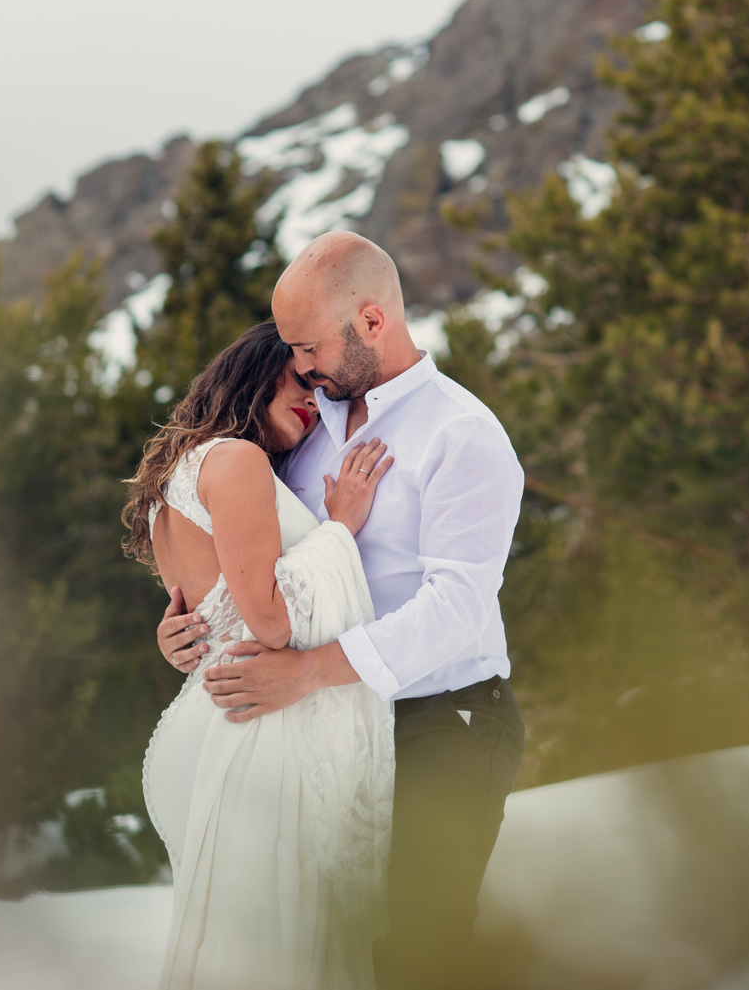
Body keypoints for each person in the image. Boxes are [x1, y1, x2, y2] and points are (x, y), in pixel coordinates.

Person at [156, 232, 526, 990]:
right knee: (336, 951)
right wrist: (190, 625)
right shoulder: (299, 431)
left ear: (372, 321)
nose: (298, 365)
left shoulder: (461, 435)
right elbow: (265, 570)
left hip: (441, 723)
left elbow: (457, 609)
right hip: (332, 733)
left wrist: (308, 673)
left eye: (308, 344)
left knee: (418, 954)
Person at [127, 321, 398, 990]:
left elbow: (202, 616)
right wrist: (341, 527)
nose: (312, 399)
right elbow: (271, 622)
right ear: (253, 371)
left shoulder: (174, 482)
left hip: (220, 719)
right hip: (257, 733)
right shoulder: (237, 460)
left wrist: (171, 638)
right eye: (298, 378)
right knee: (286, 951)